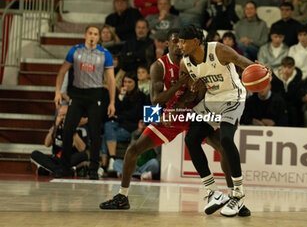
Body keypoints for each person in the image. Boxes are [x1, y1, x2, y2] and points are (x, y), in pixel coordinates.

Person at [99, 28, 251, 216]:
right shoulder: (159, 66)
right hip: (172, 114)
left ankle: (235, 198)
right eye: (175, 41)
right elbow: (155, 100)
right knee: (133, 149)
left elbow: (201, 92)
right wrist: (156, 116)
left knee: (223, 146)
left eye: (182, 41)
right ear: (167, 44)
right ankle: (122, 197)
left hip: (193, 111)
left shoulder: (194, 59)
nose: (179, 46)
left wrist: (193, 92)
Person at [178, 25, 256, 217]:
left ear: (195, 42)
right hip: (211, 100)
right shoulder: (184, 63)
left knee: (226, 140)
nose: (179, 45)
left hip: (233, 97)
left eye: (183, 41)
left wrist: (259, 69)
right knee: (191, 139)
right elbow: (190, 93)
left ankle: (238, 194)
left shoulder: (218, 49)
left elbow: (241, 61)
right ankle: (214, 191)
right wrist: (194, 89)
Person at [54, 25, 116, 179]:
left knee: (95, 134)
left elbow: (111, 80)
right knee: (68, 130)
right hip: (77, 94)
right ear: (85, 35)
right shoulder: (75, 50)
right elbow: (62, 72)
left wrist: (112, 102)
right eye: (90, 33)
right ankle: (65, 167)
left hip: (95, 95)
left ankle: (94, 169)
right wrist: (57, 92)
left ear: (98, 37)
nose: (93, 36)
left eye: (96, 34)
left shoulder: (105, 54)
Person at [30, 104, 89, 175]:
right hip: (56, 159)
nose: (62, 118)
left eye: (65, 115)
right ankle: (62, 170)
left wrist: (70, 128)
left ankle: (52, 170)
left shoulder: (80, 129)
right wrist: (56, 126)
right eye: (60, 115)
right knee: (35, 154)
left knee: (84, 155)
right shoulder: (55, 128)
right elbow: (47, 144)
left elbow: (82, 149)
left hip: (70, 159)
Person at [271, 56, 303, 126]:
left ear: (293, 68)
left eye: (289, 68)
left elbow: (297, 95)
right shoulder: (275, 78)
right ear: (281, 67)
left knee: (294, 110)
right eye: (284, 67)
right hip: (279, 104)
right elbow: (275, 94)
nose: (286, 70)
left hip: (293, 105)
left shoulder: (297, 78)